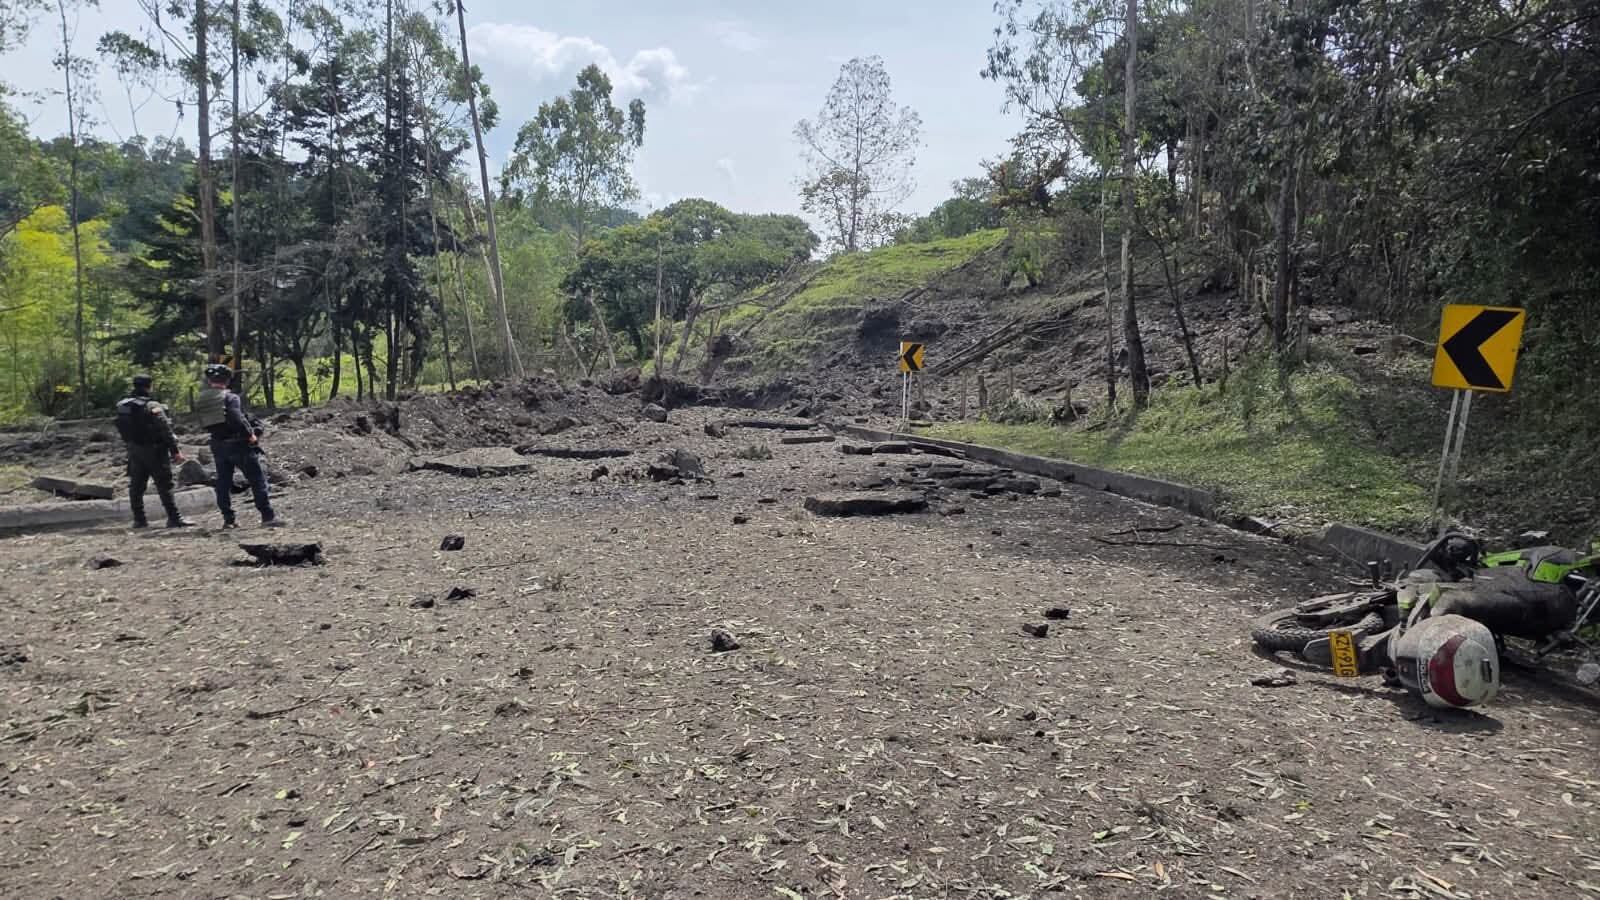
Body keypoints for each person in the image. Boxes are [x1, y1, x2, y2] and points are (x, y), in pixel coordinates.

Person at [195, 363, 282, 529]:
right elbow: (236, 418)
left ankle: (228, 520)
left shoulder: (203, 400)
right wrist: (250, 435)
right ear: (227, 380)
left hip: (217, 444)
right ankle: (267, 516)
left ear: (210, 380)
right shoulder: (230, 397)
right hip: (238, 444)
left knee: (223, 483)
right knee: (257, 479)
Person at [114, 374, 194, 529]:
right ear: (149, 386)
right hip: (155, 450)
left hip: (134, 450)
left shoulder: (123, 405)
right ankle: (174, 518)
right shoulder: (152, 405)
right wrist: (175, 451)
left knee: (136, 486)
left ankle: (139, 520)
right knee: (165, 485)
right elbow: (165, 429)